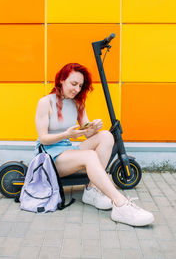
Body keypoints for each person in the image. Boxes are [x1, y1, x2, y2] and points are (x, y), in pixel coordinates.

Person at [35, 63, 154, 227]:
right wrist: (66, 135)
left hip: (68, 151)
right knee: (89, 156)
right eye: (73, 84)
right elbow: (43, 139)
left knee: (106, 136)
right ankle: (121, 204)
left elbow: (87, 133)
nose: (77, 89)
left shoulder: (78, 103)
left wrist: (94, 127)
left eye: (80, 85)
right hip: (49, 158)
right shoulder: (45, 102)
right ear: (62, 80)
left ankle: (92, 191)